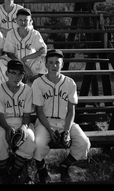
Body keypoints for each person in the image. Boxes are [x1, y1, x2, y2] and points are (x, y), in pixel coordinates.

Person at [32, 49, 91, 183]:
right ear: (45, 65)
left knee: (84, 143)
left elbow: (71, 110)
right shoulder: (38, 83)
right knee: (38, 143)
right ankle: (42, 170)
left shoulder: (70, 83)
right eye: (51, 63)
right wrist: (50, 130)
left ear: (62, 64)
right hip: (44, 122)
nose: (54, 66)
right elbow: (39, 111)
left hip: (66, 121)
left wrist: (67, 131)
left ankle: (64, 166)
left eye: (57, 63)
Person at [0, 59, 36, 184]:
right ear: (7, 73)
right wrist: (7, 128)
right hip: (4, 122)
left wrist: (24, 127)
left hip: (21, 121)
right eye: (13, 73)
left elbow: (27, 115)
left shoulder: (27, 90)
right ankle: (3, 172)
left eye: (20, 74)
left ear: (23, 75)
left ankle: (14, 171)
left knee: (29, 139)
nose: (16, 77)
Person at [0, 8, 47, 88]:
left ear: (30, 21)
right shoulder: (11, 33)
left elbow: (43, 50)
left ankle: (40, 85)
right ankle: (9, 86)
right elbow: (10, 54)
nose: (23, 22)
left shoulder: (34, 33)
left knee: (44, 58)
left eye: (25, 20)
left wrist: (27, 57)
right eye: (20, 20)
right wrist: (23, 66)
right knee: (1, 62)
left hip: (30, 63)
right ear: (16, 20)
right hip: (15, 61)